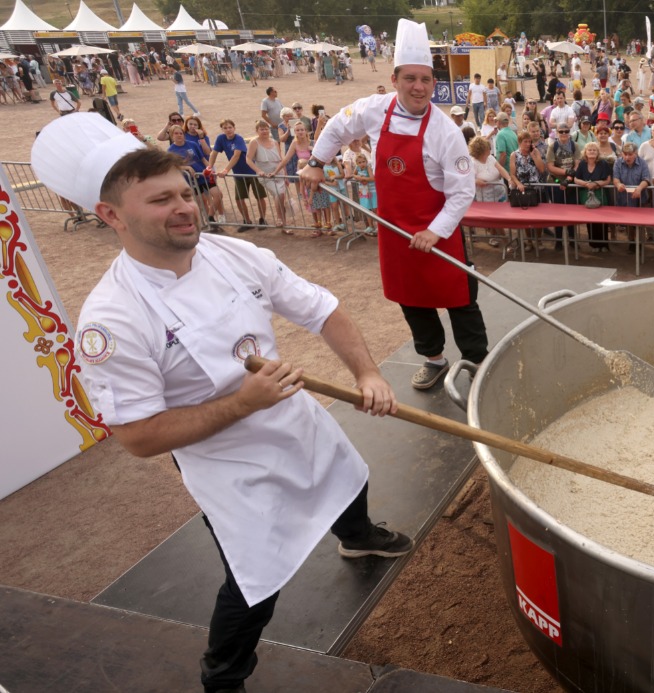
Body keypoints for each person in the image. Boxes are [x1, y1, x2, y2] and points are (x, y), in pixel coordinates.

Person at [31, 113, 412, 693]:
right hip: (225, 459)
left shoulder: (232, 254)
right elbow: (138, 438)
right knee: (255, 578)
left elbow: (322, 308)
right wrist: (241, 404)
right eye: (161, 200)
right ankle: (224, 676)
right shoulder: (111, 318)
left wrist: (368, 373)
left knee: (345, 473)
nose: (185, 206)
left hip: (290, 412)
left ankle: (357, 535)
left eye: (186, 191)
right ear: (112, 216)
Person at [304, 19, 488, 391]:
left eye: (425, 80)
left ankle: (479, 362)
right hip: (394, 231)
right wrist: (315, 163)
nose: (418, 87)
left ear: (433, 83)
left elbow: (462, 192)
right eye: (410, 79)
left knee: (460, 299)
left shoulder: (446, 132)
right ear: (394, 79)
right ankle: (434, 359)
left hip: (439, 229)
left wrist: (434, 232)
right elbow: (337, 128)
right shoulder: (372, 109)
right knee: (411, 300)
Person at [209, 119, 268, 231]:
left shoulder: (239, 138)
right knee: (239, 199)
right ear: (222, 129)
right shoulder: (220, 138)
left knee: (259, 196)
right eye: (225, 128)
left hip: (252, 171)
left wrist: (226, 170)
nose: (228, 130)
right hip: (239, 173)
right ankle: (247, 221)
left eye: (230, 127)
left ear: (234, 128)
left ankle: (262, 219)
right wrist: (209, 167)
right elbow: (214, 153)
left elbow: (236, 155)